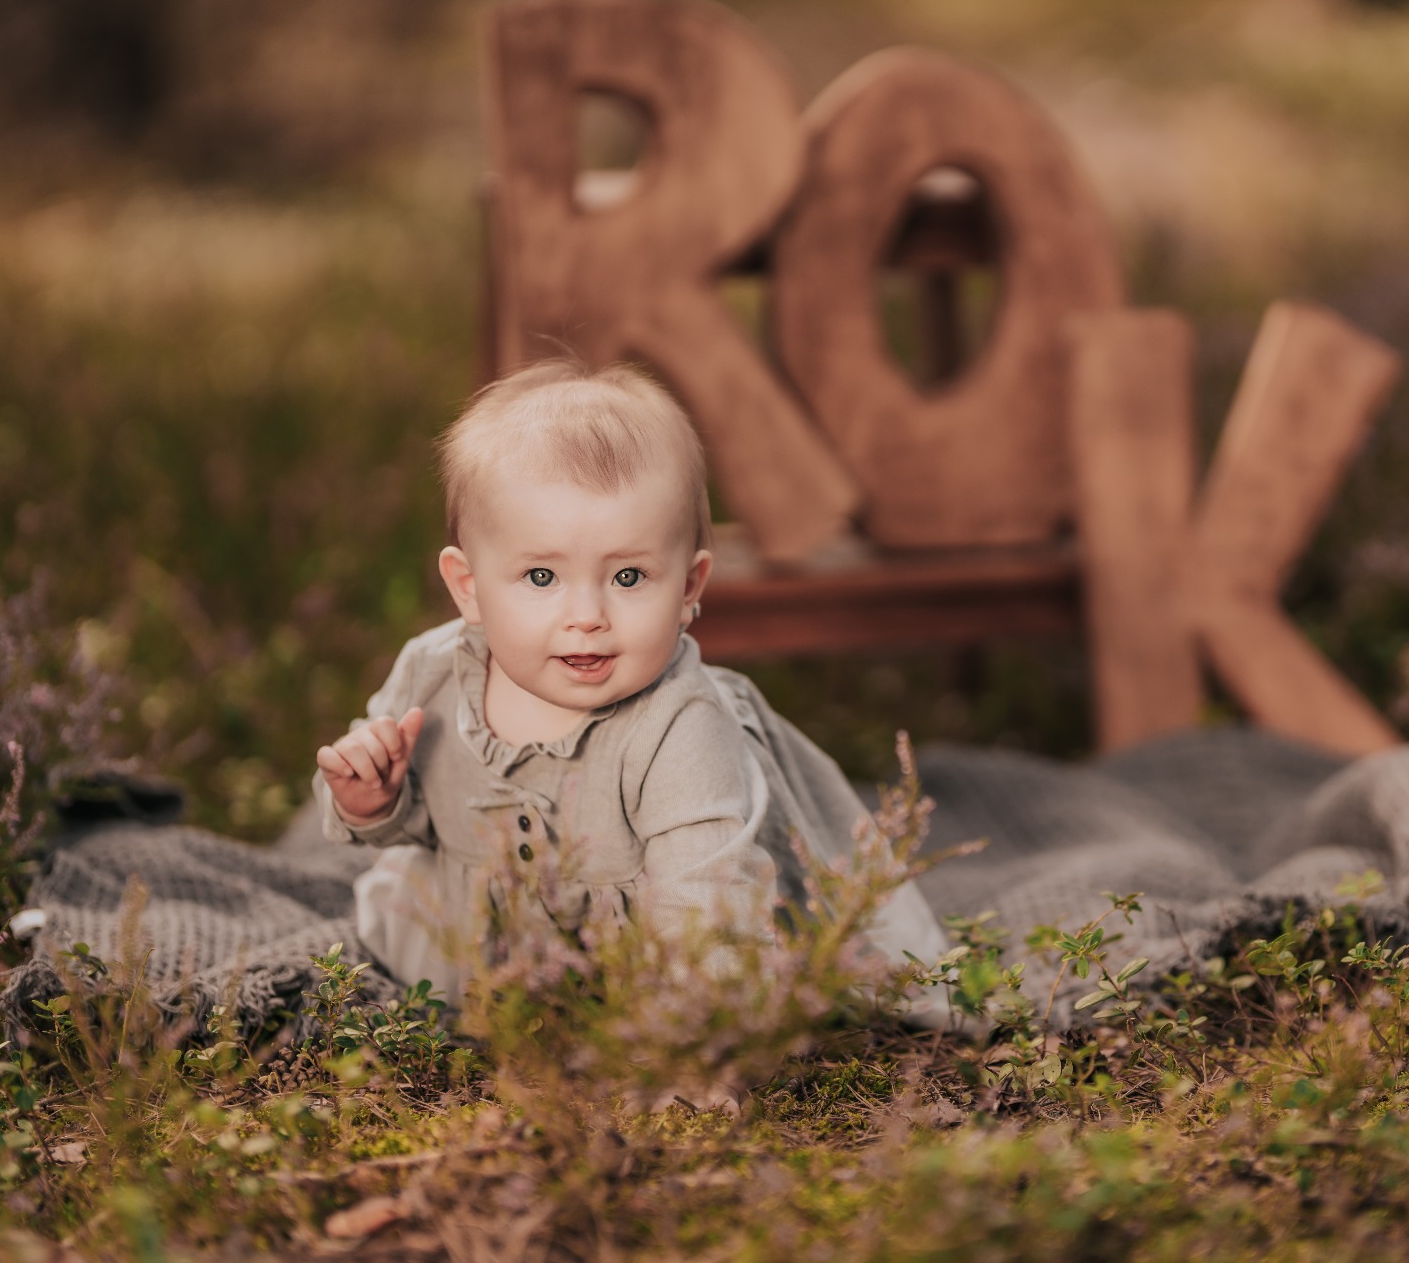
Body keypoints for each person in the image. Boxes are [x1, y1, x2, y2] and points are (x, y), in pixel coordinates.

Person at [312, 358, 947, 1010]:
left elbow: (708, 908)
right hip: (470, 952)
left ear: (689, 588)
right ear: (467, 588)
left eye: (627, 578)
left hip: (651, 976)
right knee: (400, 912)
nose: (586, 617)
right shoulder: (433, 671)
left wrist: (690, 1051)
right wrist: (372, 801)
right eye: (541, 577)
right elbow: (419, 821)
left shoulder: (679, 725)